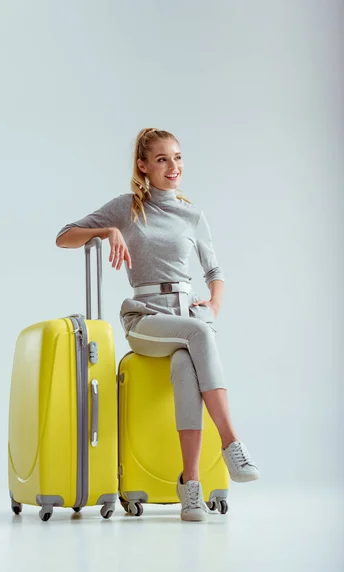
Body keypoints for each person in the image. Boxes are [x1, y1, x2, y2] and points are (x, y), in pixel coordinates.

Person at [56, 127, 260, 522]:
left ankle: (191, 486)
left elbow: (214, 270)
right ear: (143, 166)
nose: (174, 166)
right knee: (198, 334)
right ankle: (231, 441)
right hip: (145, 317)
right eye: (163, 159)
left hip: (185, 316)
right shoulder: (127, 207)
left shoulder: (192, 215)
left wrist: (214, 304)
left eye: (178, 157)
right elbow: (64, 237)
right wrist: (107, 230)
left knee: (187, 363)